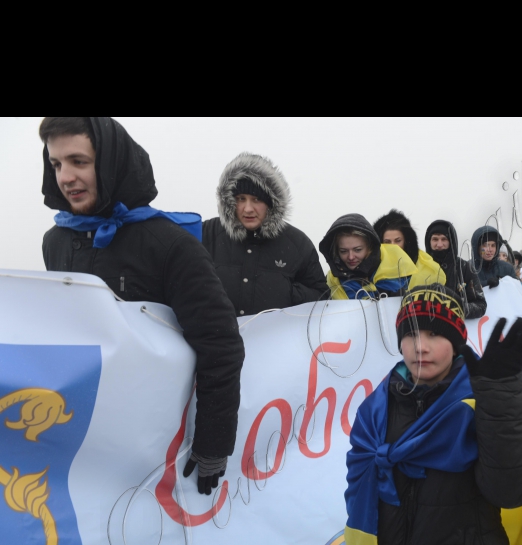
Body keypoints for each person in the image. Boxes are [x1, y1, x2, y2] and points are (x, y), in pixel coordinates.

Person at [40, 116, 244, 496]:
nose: (65, 176)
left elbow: (221, 346)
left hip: (156, 445)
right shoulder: (56, 242)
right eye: (56, 164)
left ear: (111, 161)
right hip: (84, 441)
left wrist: (213, 444)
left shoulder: (170, 245)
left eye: (79, 161)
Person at [344, 285, 522, 545]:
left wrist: (502, 399)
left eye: (434, 334)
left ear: (456, 341)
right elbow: (358, 493)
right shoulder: (374, 411)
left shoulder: (480, 404)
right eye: (410, 334)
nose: (420, 347)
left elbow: (511, 491)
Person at [202, 153, 328, 318]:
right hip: (214, 341)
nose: (248, 209)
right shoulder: (207, 234)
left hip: (275, 341)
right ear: (229, 200)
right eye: (241, 199)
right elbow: (179, 281)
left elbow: (322, 300)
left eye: (256, 200)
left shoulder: (298, 244)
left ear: (271, 203)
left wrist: (287, 293)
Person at [320, 214, 418, 300]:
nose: (350, 257)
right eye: (343, 251)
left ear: (370, 247)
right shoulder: (330, 282)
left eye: (357, 250)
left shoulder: (399, 264)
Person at [424, 220, 487, 318]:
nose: (439, 244)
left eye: (444, 239)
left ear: (451, 241)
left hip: (456, 328)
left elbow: (481, 305)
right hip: (427, 328)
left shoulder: (465, 268)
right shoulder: (420, 268)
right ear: (429, 242)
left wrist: (455, 309)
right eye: (435, 239)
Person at [374, 210, 446, 288]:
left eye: (398, 241)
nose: (393, 246)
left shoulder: (425, 265)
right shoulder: (372, 270)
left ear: (405, 241)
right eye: (387, 242)